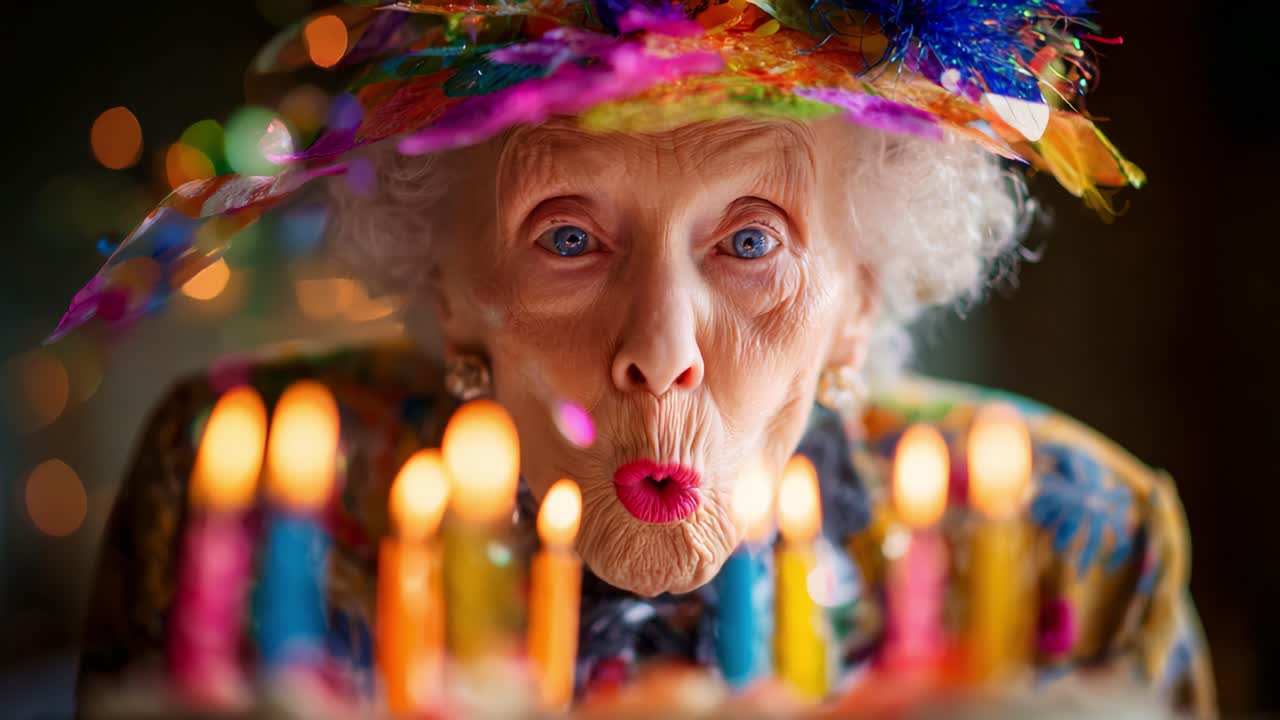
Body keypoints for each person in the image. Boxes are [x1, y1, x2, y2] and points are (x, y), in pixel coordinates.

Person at [64, 0, 1213, 715]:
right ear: (449, 293)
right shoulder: (245, 501)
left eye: (750, 241)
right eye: (567, 236)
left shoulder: (1075, 543)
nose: (658, 354)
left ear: (857, 302)